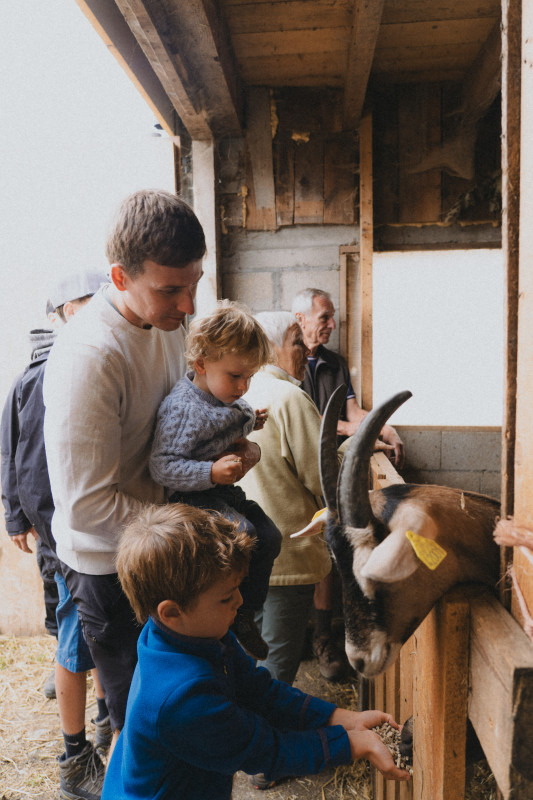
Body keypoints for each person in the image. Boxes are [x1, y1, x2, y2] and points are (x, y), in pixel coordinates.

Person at [43, 190, 260, 756]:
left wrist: (225, 444)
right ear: (119, 275)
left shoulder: (167, 324)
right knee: (141, 723)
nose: (189, 305)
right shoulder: (89, 357)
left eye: (195, 283)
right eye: (171, 289)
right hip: (111, 565)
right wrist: (195, 529)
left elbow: (176, 424)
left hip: (161, 532)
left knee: (187, 706)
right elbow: (87, 507)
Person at [101, 503, 411, 799]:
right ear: (171, 612)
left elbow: (259, 691)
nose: (238, 601)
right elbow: (266, 750)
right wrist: (352, 744)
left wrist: (340, 718)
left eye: (237, 587)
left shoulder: (194, 635)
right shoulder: (182, 698)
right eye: (225, 598)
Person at [1, 271, 111, 800]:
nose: (95, 312)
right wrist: (53, 539)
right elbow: (30, 466)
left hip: (75, 536)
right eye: (84, 304)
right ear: (62, 313)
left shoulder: (79, 362)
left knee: (88, 640)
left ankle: (104, 727)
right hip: (70, 542)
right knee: (74, 645)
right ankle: (74, 760)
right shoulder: (50, 374)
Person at [149, 300, 281, 660]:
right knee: (245, 535)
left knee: (270, 536)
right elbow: (163, 467)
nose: (243, 386)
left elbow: (231, 417)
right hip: (191, 500)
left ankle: (246, 614)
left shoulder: (222, 396)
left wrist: (252, 421)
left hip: (222, 493)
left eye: (249, 377)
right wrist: (209, 472)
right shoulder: (183, 409)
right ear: (201, 363)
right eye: (236, 376)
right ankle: (235, 616)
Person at [291, 288, 405, 682]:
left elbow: (351, 414)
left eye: (332, 316)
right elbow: (319, 424)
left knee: (330, 551)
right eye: (323, 317)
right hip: (297, 468)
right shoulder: (285, 362)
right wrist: (363, 434)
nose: (331, 324)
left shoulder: (334, 363)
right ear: (300, 317)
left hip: (331, 471)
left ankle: (325, 638)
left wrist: (382, 427)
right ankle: (300, 636)